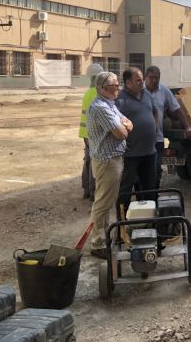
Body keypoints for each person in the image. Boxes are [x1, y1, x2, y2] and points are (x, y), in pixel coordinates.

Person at [86, 71, 133, 258]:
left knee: (106, 201)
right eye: (115, 86)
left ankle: (104, 238)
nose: (118, 88)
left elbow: (129, 124)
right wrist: (125, 126)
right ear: (104, 88)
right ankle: (97, 243)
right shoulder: (100, 108)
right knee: (103, 203)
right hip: (107, 162)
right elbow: (121, 133)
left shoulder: (109, 104)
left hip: (112, 159)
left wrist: (126, 125)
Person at [115, 67, 158, 213]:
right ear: (128, 83)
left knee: (149, 189)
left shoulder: (146, 95)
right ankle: (122, 225)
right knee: (125, 190)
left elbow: (155, 112)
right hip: (131, 154)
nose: (142, 83)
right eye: (138, 80)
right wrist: (120, 143)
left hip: (149, 151)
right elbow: (112, 125)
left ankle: (149, 220)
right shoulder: (119, 100)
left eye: (142, 79)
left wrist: (155, 129)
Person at [144, 65, 191, 189]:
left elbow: (177, 109)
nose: (154, 80)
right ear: (145, 78)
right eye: (151, 78)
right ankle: (143, 197)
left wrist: (187, 126)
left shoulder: (164, 91)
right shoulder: (138, 91)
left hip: (157, 139)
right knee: (141, 171)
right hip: (140, 140)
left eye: (157, 78)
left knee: (156, 169)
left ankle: (153, 195)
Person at [79, 63, 104, 200]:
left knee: (88, 161)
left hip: (87, 135)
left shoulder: (87, 93)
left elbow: (84, 118)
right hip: (96, 135)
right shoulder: (98, 94)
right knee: (96, 164)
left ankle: (86, 190)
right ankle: (94, 192)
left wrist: (85, 137)